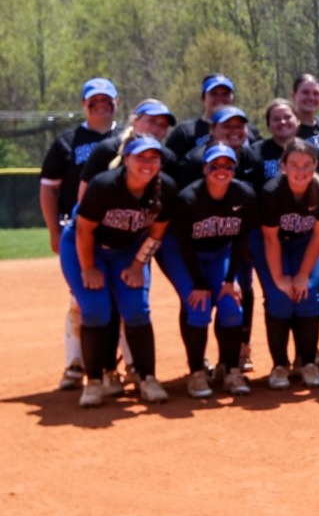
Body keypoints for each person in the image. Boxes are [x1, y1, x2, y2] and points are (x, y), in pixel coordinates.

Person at [65, 135, 178, 408]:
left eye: (154, 158)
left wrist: (138, 265)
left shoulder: (166, 189)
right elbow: (83, 230)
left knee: (137, 308)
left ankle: (147, 378)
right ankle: (95, 381)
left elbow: (156, 233)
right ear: (126, 159)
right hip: (86, 247)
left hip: (127, 251)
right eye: (140, 157)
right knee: (95, 309)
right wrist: (89, 268)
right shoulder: (104, 185)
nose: (147, 164)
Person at [40, 77, 120, 391]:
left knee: (122, 299)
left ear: (116, 103)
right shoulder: (67, 142)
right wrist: (52, 231)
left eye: (106, 100)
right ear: (83, 105)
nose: (101, 105)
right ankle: (76, 364)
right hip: (79, 230)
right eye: (94, 100)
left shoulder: (128, 138)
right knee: (81, 299)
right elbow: (48, 189)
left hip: (119, 229)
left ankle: (120, 366)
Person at [162, 144, 260, 397]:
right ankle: (196, 373)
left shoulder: (244, 195)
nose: (221, 170)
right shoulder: (189, 198)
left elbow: (240, 240)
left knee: (231, 306)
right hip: (183, 255)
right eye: (215, 165)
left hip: (220, 253)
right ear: (205, 168)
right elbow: (184, 244)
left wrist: (230, 279)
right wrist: (199, 283)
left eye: (228, 165)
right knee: (198, 305)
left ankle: (229, 370)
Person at [254, 140, 319, 398]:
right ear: (283, 166)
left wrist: (302, 275)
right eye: (294, 165)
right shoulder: (271, 192)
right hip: (272, 243)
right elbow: (270, 238)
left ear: (315, 166)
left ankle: (308, 363)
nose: (300, 171)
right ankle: (280, 366)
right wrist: (279, 278)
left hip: (304, 244)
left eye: (307, 165)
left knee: (307, 293)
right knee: (279, 297)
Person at [166, 74, 258, 159]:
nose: (220, 98)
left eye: (225, 94)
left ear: (233, 97)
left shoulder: (247, 132)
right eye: (213, 93)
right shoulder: (185, 132)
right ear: (203, 98)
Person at [258, 99, 301, 184]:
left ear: (298, 121)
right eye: (276, 119)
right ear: (268, 126)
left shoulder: (309, 151)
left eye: (288, 117)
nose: (282, 122)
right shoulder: (255, 152)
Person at [291, 74, 319, 151]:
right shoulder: (288, 130)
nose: (311, 98)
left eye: (316, 93)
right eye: (305, 92)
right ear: (294, 95)